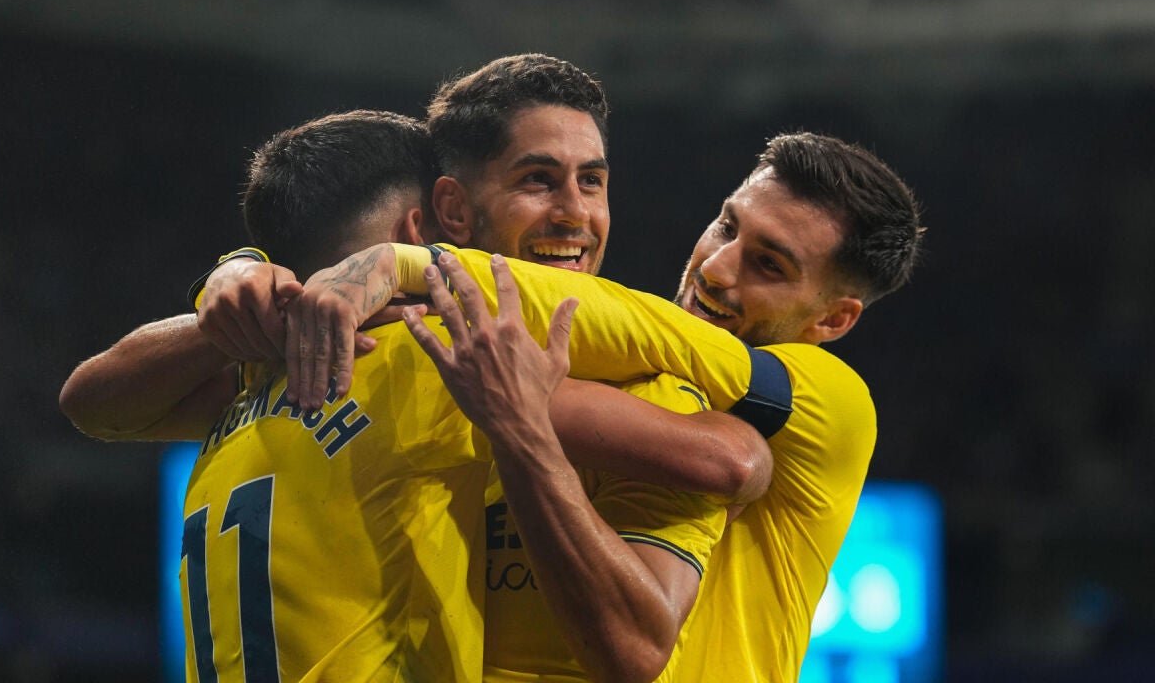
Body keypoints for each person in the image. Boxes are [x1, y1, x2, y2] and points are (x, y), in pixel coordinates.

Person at [63, 57, 768, 682]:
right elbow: (734, 459)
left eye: (592, 181)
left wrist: (234, 284)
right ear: (428, 225)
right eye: (536, 180)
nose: (574, 212)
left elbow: (88, 400)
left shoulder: (259, 371)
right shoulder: (433, 356)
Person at [281, 130, 924, 682]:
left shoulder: (831, 399)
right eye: (727, 227)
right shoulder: (627, 376)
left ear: (834, 319)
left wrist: (405, 266)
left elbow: (650, 333)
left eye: (769, 265)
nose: (717, 269)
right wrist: (253, 273)